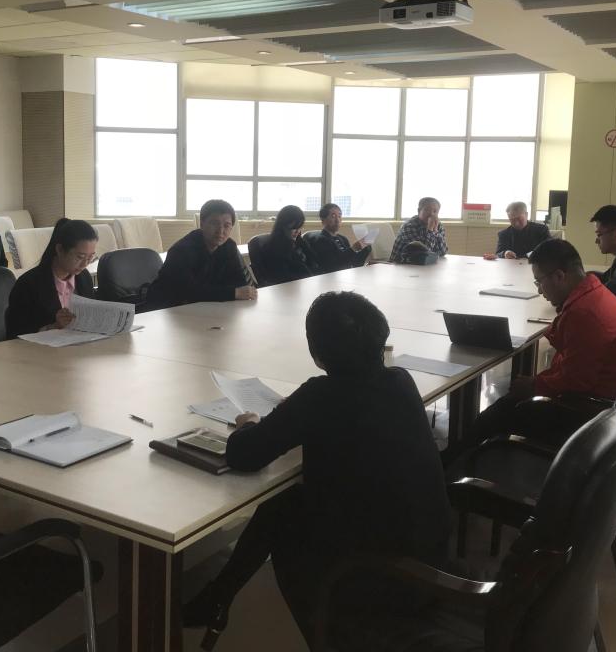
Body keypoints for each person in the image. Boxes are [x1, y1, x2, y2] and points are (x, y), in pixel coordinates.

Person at [183, 291, 451, 647]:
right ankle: (219, 596)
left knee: (281, 514)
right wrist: (295, 415)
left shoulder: (320, 396)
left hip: (378, 574)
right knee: (284, 502)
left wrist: (250, 423)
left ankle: (322, 633)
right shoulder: (401, 380)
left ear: (317, 354)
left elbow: (243, 455)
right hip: (429, 558)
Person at [441, 239, 616, 471]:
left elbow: (577, 381)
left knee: (499, 413)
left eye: (539, 281)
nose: (538, 290)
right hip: (610, 407)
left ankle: (449, 471)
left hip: (591, 415)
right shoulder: (593, 295)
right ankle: (456, 460)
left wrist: (535, 385)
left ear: (559, 276)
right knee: (503, 406)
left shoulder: (584, 313)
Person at [145, 199, 256, 310]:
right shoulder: (182, 250)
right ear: (202, 224)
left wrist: (237, 291)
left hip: (204, 308)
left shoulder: (229, 246)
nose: (220, 230)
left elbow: (240, 283)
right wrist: (233, 293)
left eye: (227, 225)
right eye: (214, 223)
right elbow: (190, 292)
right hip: (165, 309)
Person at [5, 218, 97, 338]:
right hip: (40, 349)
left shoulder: (84, 278)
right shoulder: (28, 284)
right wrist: (53, 326)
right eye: (80, 257)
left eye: (90, 257)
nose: (85, 264)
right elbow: (14, 334)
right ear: (60, 250)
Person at [256, 205, 320, 286]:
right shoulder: (273, 248)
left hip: (307, 284)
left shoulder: (299, 242)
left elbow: (315, 261)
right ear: (283, 226)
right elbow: (285, 278)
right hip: (291, 288)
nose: (297, 231)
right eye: (294, 227)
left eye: (299, 227)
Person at [306, 203, 371, 273]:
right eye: (333, 216)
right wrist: (354, 248)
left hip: (346, 275)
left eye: (339, 216)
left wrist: (364, 250)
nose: (337, 220)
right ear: (323, 220)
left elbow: (352, 263)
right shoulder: (320, 240)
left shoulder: (343, 239)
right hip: (331, 277)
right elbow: (333, 266)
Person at [389, 197, 447, 263]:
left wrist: (435, 231)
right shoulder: (409, 226)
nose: (431, 214)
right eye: (427, 210)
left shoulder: (438, 225)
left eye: (435, 211)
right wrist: (430, 230)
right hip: (399, 264)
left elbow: (443, 252)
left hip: (421, 264)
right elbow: (424, 252)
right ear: (419, 211)